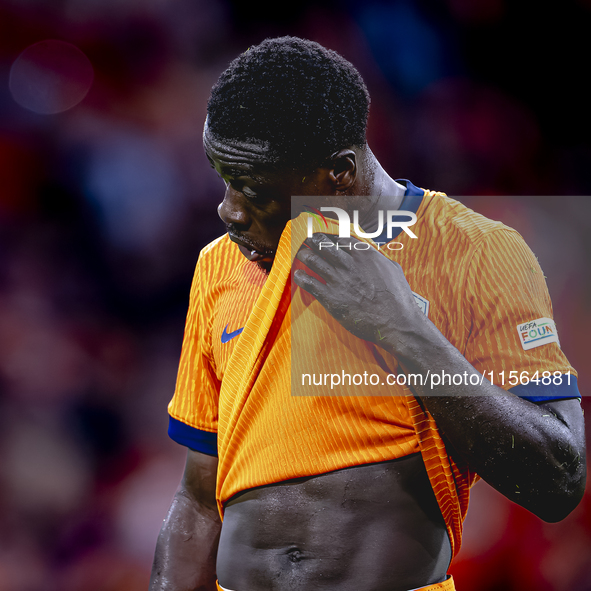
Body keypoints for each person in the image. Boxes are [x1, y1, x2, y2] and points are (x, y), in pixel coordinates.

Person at [149, 37, 586, 591]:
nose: (228, 210)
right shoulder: (218, 267)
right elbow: (196, 498)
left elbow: (558, 478)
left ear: (338, 173)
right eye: (224, 179)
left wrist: (401, 328)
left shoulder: (474, 250)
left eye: (254, 190)